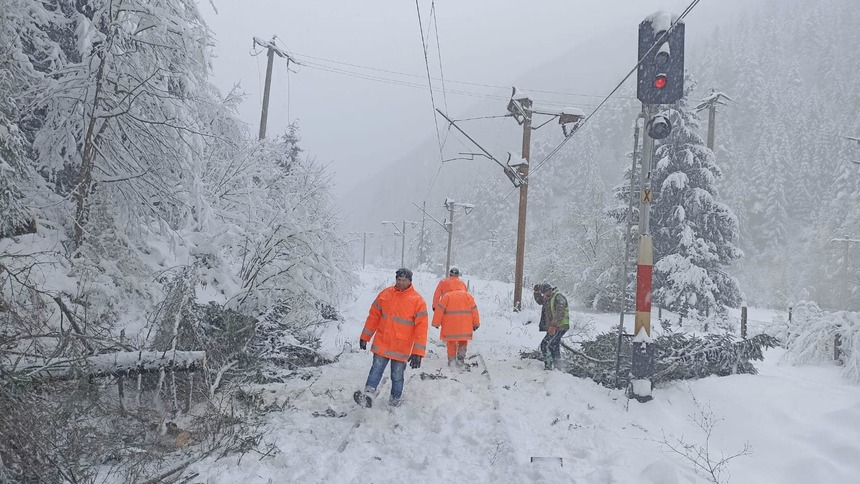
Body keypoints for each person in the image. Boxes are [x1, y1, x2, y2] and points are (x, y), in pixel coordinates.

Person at [355, 267, 428, 408]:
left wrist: (418, 352)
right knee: (376, 369)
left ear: (410, 281)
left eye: (404, 280)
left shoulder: (417, 301)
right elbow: (373, 317)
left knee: (397, 375)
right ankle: (368, 395)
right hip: (382, 342)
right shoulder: (385, 294)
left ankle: (395, 400)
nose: (400, 283)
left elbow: (421, 328)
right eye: (398, 280)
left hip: (401, 347)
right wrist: (365, 336)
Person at [431, 288, 480, 369]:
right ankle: (461, 356)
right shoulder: (468, 296)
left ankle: (452, 360)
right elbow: (474, 310)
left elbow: (439, 310)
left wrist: (436, 323)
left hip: (450, 326)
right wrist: (476, 323)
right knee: (463, 341)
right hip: (464, 326)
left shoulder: (447, 296)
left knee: (451, 343)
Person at [534, 283, 569, 370]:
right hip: (556, 326)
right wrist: (536, 292)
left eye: (544, 293)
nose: (544, 295)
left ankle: (549, 365)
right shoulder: (549, 298)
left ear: (549, 290)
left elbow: (560, 313)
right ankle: (558, 365)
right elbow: (540, 301)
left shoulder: (558, 297)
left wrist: (553, 325)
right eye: (543, 294)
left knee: (545, 345)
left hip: (559, 327)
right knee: (554, 344)